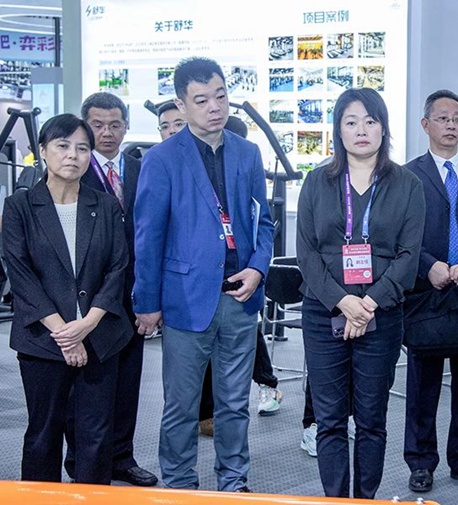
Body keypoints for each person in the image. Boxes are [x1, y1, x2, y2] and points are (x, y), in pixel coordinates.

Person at [133, 56, 274, 493]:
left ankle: (233, 482)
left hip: (240, 296)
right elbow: (148, 238)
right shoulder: (161, 159)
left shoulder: (248, 153)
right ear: (181, 104)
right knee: (181, 406)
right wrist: (147, 304)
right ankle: (179, 486)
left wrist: (258, 268)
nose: (215, 107)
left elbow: (263, 223)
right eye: (201, 100)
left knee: (234, 403)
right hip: (185, 298)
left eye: (220, 96)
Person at [296, 87, 425, 499]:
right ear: (338, 130)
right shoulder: (317, 181)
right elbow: (306, 253)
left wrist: (366, 304)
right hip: (324, 314)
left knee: (371, 419)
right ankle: (337, 499)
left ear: (384, 128)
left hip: (380, 315)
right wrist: (343, 301)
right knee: (330, 419)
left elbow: (409, 256)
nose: (361, 130)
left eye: (370, 121)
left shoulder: (407, 185)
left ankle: (365, 499)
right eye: (351, 122)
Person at [2, 113, 131, 484]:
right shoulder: (20, 206)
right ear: (43, 151)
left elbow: (117, 269)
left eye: (82, 148)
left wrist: (86, 324)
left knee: (96, 436)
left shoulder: (105, 206)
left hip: (100, 337)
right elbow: (22, 276)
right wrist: (65, 333)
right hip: (43, 340)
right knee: (43, 434)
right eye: (63, 145)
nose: (73, 155)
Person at [65, 92, 158, 487]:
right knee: (87, 388)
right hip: (88, 297)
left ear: (126, 126)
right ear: (85, 127)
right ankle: (83, 463)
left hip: (134, 296)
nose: (107, 132)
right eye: (98, 125)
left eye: (115, 124)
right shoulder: (73, 169)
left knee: (128, 383)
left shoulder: (142, 168)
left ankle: (122, 457)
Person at [402, 89, 458, 493]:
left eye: (457, 119)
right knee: (423, 386)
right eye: (442, 118)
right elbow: (398, 237)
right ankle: (421, 462)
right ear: (426, 125)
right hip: (426, 291)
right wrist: (428, 265)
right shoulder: (406, 176)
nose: (451, 126)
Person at [197, 115, 282, 439]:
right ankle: (207, 412)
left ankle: (266, 385)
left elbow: (262, 225)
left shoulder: (244, 166)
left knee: (244, 334)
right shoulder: (182, 164)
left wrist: (256, 268)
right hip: (199, 281)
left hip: (240, 275)